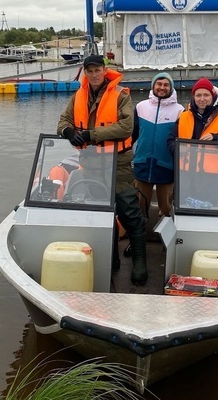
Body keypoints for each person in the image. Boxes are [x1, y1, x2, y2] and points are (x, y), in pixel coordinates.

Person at [57, 54, 149, 285]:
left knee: (129, 213)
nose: (94, 74)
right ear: (85, 73)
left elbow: (126, 127)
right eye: (90, 71)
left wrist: (91, 135)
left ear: (104, 71)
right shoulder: (78, 96)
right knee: (101, 213)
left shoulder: (121, 96)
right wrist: (68, 132)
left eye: (98, 70)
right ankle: (112, 259)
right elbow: (63, 121)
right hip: (90, 164)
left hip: (118, 164)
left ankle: (139, 263)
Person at [132, 72, 184, 219]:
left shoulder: (180, 111)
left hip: (166, 166)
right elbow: (132, 134)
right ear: (153, 86)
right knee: (139, 208)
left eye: (166, 85)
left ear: (171, 88)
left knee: (167, 209)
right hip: (142, 163)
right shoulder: (141, 107)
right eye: (159, 84)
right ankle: (138, 237)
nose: (162, 87)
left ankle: (167, 238)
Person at [167, 77, 218, 155]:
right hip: (186, 166)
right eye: (198, 95)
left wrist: (216, 138)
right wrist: (178, 149)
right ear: (194, 98)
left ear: (213, 97)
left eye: (206, 95)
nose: (202, 99)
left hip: (214, 167)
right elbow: (171, 141)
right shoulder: (183, 117)